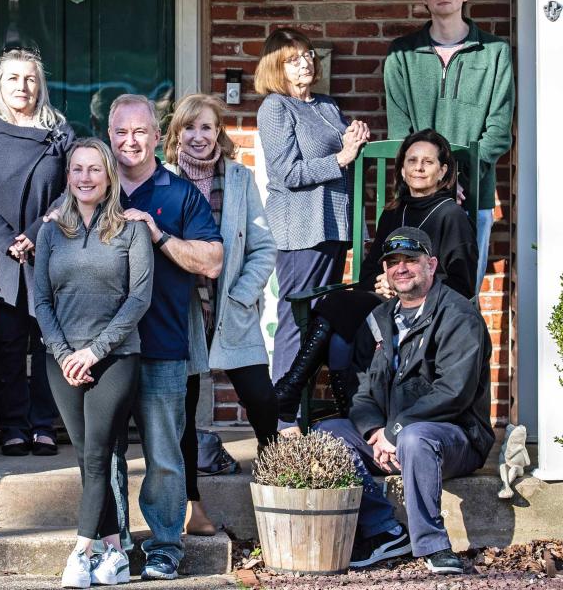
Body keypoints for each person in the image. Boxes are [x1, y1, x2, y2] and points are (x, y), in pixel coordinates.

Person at [316, 226, 493, 575]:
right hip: (392, 436)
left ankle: (433, 545)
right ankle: (385, 529)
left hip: (457, 435)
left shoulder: (458, 315)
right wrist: (374, 431)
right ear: (384, 271)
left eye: (410, 260)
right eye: (392, 262)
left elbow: (453, 392)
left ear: (431, 264)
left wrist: (396, 430)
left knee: (416, 438)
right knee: (326, 433)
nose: (401, 268)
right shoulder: (379, 319)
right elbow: (362, 389)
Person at [274, 129, 479, 424]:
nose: (418, 168)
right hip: (387, 302)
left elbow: (462, 284)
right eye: (412, 161)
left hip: (428, 309)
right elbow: (370, 271)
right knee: (337, 304)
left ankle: (296, 391)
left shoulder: (452, 216)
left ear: (443, 170)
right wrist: (381, 283)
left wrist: (410, 286)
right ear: (402, 168)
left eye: (428, 162)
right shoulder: (394, 213)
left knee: (339, 311)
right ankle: (321, 401)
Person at [110, 94, 223, 580]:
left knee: (163, 454)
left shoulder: (180, 195)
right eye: (120, 132)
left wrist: (158, 235)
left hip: (162, 343)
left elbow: (213, 261)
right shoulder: (93, 187)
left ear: (158, 137)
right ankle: (111, 541)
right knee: (105, 453)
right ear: (109, 136)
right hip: (105, 351)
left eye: (140, 131)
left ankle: (164, 546)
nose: (130, 141)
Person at [35, 138, 153, 588]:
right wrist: (66, 354)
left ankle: (81, 551)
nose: (85, 178)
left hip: (116, 358)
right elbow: (42, 301)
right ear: (69, 176)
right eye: (77, 169)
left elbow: (138, 298)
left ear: (108, 177)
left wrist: (95, 351)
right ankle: (117, 554)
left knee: (100, 452)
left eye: (94, 170)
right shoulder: (50, 231)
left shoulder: (132, 230)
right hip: (61, 359)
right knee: (85, 456)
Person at [162, 94, 277, 536]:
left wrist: (244, 293)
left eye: (206, 127)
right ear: (176, 135)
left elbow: (263, 245)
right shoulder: (163, 180)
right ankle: (193, 506)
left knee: (262, 399)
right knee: (185, 412)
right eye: (188, 128)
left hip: (234, 310)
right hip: (183, 311)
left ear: (219, 133)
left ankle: (275, 482)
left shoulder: (242, 180)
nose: (197, 136)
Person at [0, 48, 74, 456]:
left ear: (40, 85)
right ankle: (12, 424)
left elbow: (71, 191)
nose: (22, 86)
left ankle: (44, 423)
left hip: (49, 246)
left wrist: (34, 233)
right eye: (12, 78)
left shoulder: (60, 132)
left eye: (29, 78)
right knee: (6, 341)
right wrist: (7, 239)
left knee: (47, 340)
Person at [255, 28, 369, 426]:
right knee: (295, 322)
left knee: (321, 321)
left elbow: (345, 154)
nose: (305, 62)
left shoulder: (326, 104)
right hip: (301, 228)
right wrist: (342, 157)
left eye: (307, 55)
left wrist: (354, 139)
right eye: (293, 58)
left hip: (333, 225)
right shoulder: (275, 108)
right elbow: (286, 172)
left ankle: (300, 412)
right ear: (275, 66)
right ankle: (283, 422)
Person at [384, 0, 515, 292]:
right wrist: (429, 181)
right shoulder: (401, 55)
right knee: (409, 295)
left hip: (472, 196)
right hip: (415, 198)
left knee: (462, 296)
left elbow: (499, 131)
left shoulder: (494, 52)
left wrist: (456, 179)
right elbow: (401, 133)